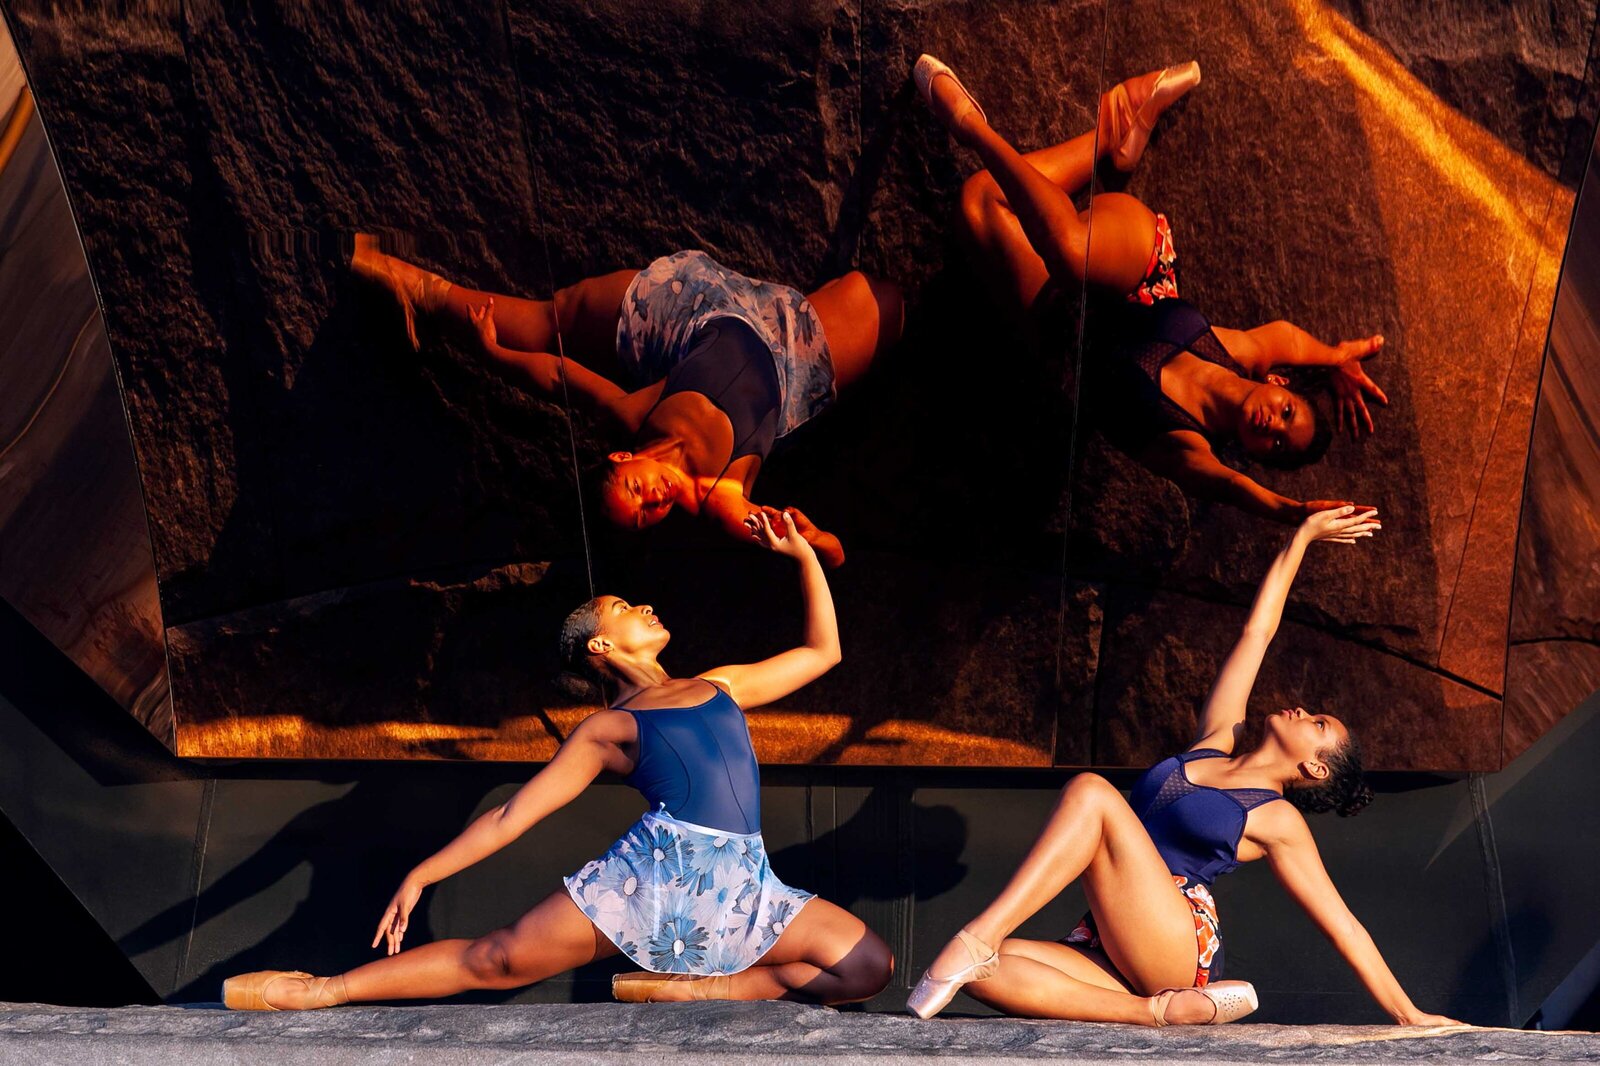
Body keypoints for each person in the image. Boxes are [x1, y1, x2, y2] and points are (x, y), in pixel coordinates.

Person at [221, 510, 893, 1010]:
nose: (646, 606)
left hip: (744, 883)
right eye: (625, 607)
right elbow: (513, 814)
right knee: (499, 958)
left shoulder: (720, 685)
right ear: (599, 646)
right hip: (653, 877)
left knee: (869, 966)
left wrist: (803, 556)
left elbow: (821, 653)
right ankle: (320, 991)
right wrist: (422, 874)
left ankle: (698, 990)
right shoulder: (608, 728)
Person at [906, 504, 1461, 1028]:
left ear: (1314, 770)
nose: (1303, 710)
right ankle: (1158, 1014)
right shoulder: (1219, 738)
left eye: (1318, 724)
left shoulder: (1276, 821)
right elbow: (1257, 632)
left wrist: (1409, 1014)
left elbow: (1343, 925)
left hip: (1177, 941)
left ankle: (977, 937)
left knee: (1093, 793)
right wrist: (1300, 540)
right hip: (1115, 938)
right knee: (989, 973)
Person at [914, 55, 1390, 524]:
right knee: (1069, 250)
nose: (1274, 425)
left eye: (1278, 444)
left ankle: (1114, 127)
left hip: (1064, 317)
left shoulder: (1189, 445)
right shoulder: (1244, 353)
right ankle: (972, 126)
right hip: (1138, 265)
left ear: (1256, 454)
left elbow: (1227, 486)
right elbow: (1287, 337)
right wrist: (1333, 358)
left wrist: (1292, 512)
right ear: (1278, 384)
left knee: (979, 202)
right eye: (1287, 413)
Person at [353, 238, 904, 565]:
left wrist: (493, 353)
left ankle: (417, 287)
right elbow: (811, 548)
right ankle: (413, 292)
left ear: (623, 459)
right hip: (787, 352)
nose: (653, 503)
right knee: (889, 301)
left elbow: (558, 375)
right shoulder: (718, 498)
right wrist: (817, 542)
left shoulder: (634, 414)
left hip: (694, 308)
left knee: (556, 317)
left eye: (635, 493)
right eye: (646, 519)